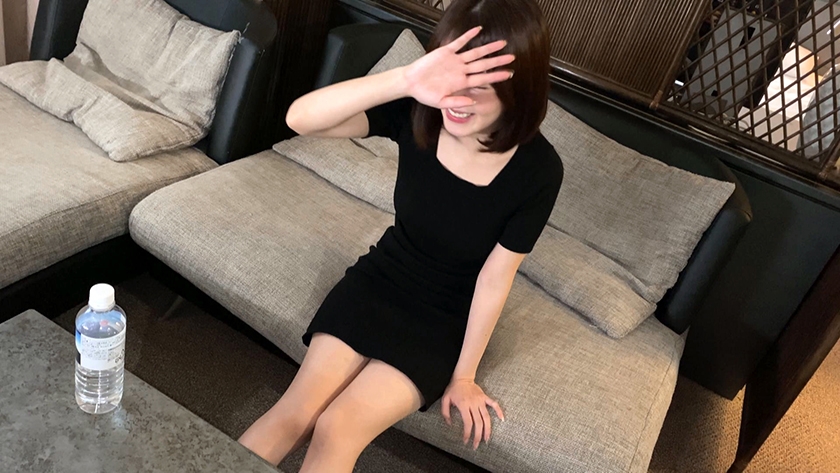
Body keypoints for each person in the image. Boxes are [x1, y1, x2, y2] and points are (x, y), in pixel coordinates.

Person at [238, 0, 562, 470]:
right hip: (381, 279)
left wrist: (464, 376)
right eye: (450, 79)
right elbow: (300, 119)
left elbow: (496, 278)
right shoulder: (420, 110)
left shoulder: (539, 170)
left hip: (445, 318)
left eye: (478, 88)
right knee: (294, 413)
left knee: (337, 427)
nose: (456, 100)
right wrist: (407, 79)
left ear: (518, 91)